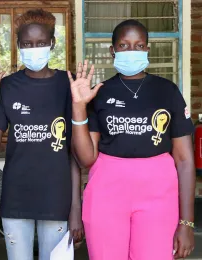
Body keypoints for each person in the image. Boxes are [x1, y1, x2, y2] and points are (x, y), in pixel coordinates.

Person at [69, 19, 195, 260]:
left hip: (159, 195)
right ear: (112, 50)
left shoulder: (167, 91)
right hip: (106, 194)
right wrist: (78, 108)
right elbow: (86, 157)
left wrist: (187, 222)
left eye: (139, 45)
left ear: (147, 49)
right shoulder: (99, 92)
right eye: (124, 45)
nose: (131, 51)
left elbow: (185, 159)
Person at [0, 9, 83, 260]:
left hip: (57, 198)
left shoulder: (68, 84)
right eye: (27, 44)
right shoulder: (8, 86)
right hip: (16, 198)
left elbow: (74, 154)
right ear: (19, 46)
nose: (34, 49)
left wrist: (76, 208)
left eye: (41, 43)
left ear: (52, 43)